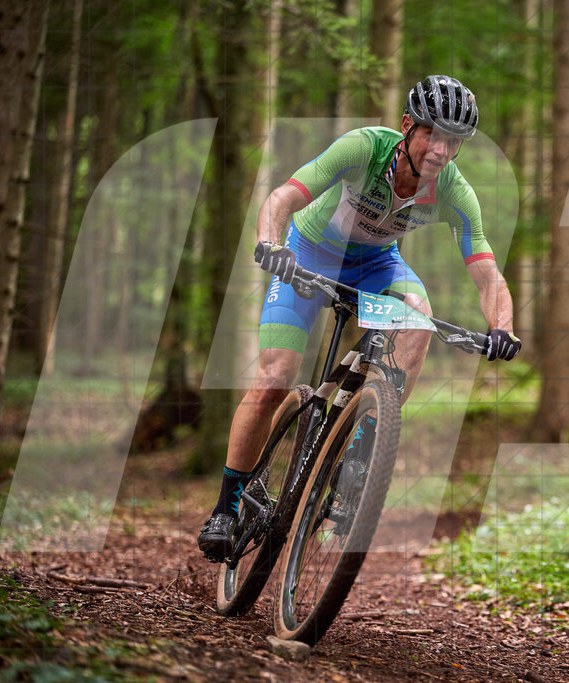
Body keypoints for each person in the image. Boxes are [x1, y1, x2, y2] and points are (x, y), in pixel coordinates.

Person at [198, 75, 522, 561]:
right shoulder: (364, 148)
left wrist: (502, 327)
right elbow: (284, 197)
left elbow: (487, 273)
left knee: (419, 317)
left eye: (454, 141)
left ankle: (363, 450)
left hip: (376, 264)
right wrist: (270, 244)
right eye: (433, 134)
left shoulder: (454, 191)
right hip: (308, 254)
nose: (441, 150)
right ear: (407, 125)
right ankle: (227, 504)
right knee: (274, 379)